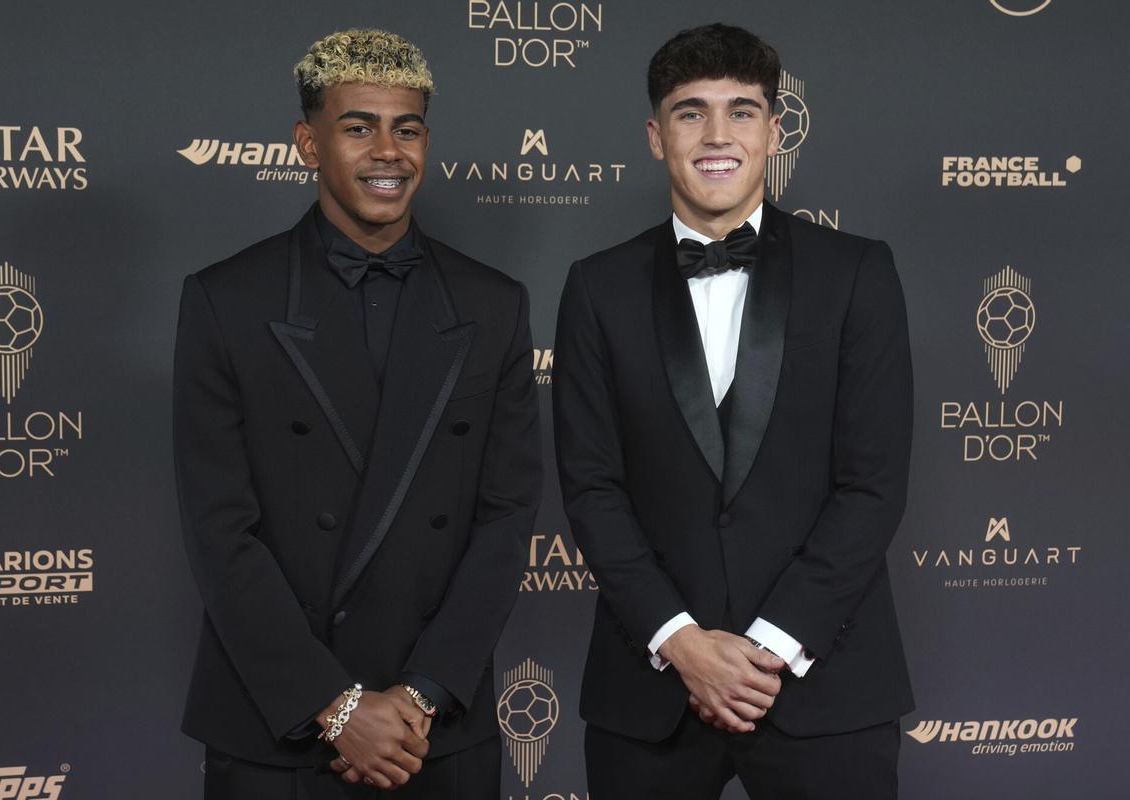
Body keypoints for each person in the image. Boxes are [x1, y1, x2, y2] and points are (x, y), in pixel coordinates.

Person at [173, 29, 541, 799]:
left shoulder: (494, 304)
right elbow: (220, 531)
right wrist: (335, 707)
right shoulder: (226, 300)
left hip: (435, 729)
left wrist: (420, 695)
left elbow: (506, 519)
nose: (387, 152)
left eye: (407, 129)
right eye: (358, 127)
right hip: (276, 725)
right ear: (308, 144)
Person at [553, 23, 914, 800]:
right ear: (657, 136)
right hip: (651, 691)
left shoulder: (857, 273)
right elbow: (591, 487)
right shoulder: (596, 287)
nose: (717, 135)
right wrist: (681, 642)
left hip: (824, 684)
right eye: (691, 112)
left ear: (774, 132)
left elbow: (873, 486)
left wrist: (769, 648)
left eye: (741, 111)